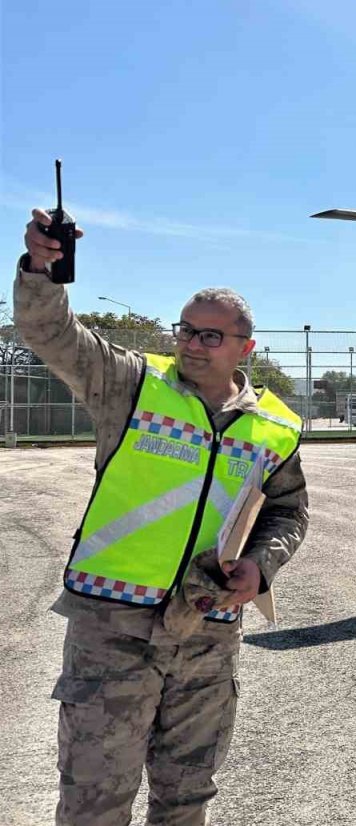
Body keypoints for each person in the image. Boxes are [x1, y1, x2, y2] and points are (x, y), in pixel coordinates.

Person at [17, 208, 310, 825]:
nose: (192, 343)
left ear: (244, 348)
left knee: (186, 797)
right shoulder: (130, 383)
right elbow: (54, 334)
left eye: (210, 336)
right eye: (186, 330)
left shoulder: (276, 427)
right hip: (112, 629)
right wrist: (42, 270)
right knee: (95, 799)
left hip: (207, 631)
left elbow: (287, 511)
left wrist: (261, 567)